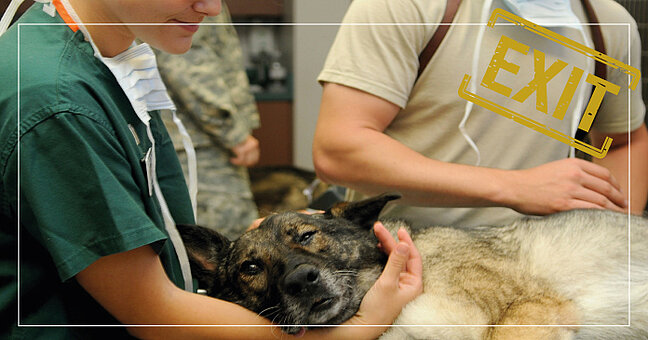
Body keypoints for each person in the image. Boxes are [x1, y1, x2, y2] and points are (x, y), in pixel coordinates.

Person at [0, 0, 422, 339]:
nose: (212, 8)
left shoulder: (112, 57)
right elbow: (156, 314)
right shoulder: (57, 105)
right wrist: (361, 327)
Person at [314, 0, 648, 229]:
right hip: (404, 259)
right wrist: (515, 187)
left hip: (544, 261)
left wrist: (614, 232)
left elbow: (624, 141)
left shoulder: (608, 25)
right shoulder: (407, 6)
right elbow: (339, 149)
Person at [155, 3, 261, 240]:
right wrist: (234, 134)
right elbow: (188, 66)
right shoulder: (191, 6)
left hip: (196, 139)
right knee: (224, 244)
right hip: (200, 144)